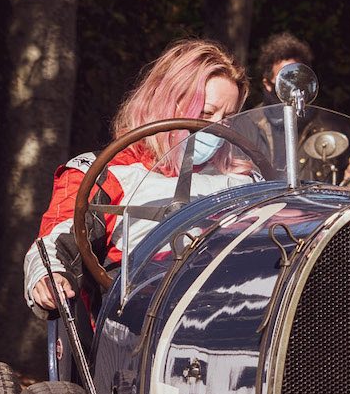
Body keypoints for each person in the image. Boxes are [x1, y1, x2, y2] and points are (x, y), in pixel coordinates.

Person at [24, 39, 251, 317]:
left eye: (227, 119)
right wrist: (50, 277)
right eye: (205, 113)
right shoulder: (105, 172)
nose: (214, 127)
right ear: (166, 102)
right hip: (139, 323)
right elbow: (55, 242)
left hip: (236, 311)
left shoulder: (244, 181)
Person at [256, 32, 312, 105]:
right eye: (284, 79)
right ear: (267, 84)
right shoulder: (254, 116)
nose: (292, 86)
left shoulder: (320, 115)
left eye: (297, 77)